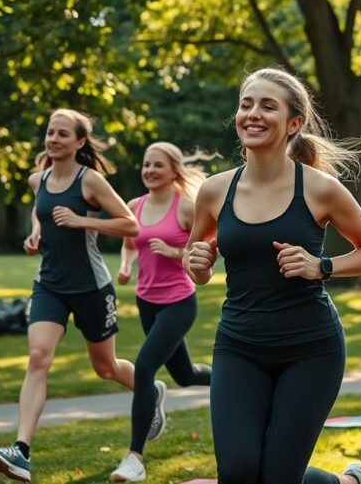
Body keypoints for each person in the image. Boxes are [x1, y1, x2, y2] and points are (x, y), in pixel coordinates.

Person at [184, 67, 361, 484]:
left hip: (310, 350)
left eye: (267, 106)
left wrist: (322, 266)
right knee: (240, 472)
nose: (252, 114)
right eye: (246, 104)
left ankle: (346, 482)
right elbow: (197, 260)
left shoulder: (319, 189)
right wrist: (197, 266)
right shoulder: (214, 190)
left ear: (293, 123)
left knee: (279, 478)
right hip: (239, 346)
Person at [0, 109, 140, 482]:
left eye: (63, 134)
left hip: (91, 286)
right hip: (49, 283)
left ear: (79, 142)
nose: (53, 139)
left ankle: (150, 391)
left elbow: (131, 224)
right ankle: (20, 451)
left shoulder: (91, 181)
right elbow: (43, 211)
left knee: (106, 368)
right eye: (50, 132)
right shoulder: (39, 179)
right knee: (38, 357)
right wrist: (36, 232)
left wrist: (84, 220)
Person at [110, 142, 218, 482]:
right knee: (184, 375)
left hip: (179, 302)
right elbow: (129, 243)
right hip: (146, 300)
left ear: (174, 170)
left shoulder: (185, 208)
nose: (149, 171)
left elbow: (202, 250)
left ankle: (134, 459)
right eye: (146, 165)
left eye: (157, 165)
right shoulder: (134, 206)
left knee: (143, 368)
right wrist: (125, 267)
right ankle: (234, 377)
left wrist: (173, 251)